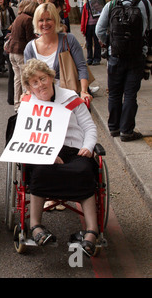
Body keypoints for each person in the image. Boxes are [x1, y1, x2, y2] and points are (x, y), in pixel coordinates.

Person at [20, 58, 99, 257]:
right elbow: (24, 135)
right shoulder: (29, 104)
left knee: (84, 170)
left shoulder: (70, 97)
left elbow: (89, 127)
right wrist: (47, 152)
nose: (40, 85)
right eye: (34, 82)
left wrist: (88, 147)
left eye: (43, 78)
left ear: (51, 78)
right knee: (40, 171)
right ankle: (36, 226)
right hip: (44, 151)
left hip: (74, 149)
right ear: (29, 87)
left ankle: (92, 230)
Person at [96, 0, 152, 142]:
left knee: (114, 93)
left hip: (115, 56)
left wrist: (110, 42)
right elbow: (149, 29)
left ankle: (114, 127)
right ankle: (127, 130)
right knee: (130, 94)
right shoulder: (146, 5)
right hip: (136, 56)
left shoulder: (111, 5)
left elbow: (99, 30)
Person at [24, 3, 93, 103]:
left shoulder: (69, 40)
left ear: (56, 20)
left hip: (68, 98)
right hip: (43, 101)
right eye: (41, 20)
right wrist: (27, 92)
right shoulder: (30, 48)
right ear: (36, 22)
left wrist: (84, 91)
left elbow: (82, 67)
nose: (45, 24)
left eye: (48, 19)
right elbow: (28, 77)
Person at [5, 0, 38, 111]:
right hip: (21, 51)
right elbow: (30, 39)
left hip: (12, 51)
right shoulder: (28, 19)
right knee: (25, 79)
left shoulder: (19, 17)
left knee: (17, 79)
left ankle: (17, 104)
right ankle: (25, 103)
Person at [0, 0, 15, 74]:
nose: (0, 2)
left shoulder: (9, 9)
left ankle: (8, 65)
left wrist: (11, 26)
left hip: (7, 30)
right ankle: (0, 66)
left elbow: (14, 18)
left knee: (7, 47)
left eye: (1, 0)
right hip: (0, 31)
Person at [81, 0, 102, 66]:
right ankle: (89, 58)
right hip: (88, 25)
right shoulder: (86, 6)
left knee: (97, 42)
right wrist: (83, 28)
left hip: (97, 25)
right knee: (89, 43)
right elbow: (83, 17)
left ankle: (97, 58)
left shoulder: (99, 4)